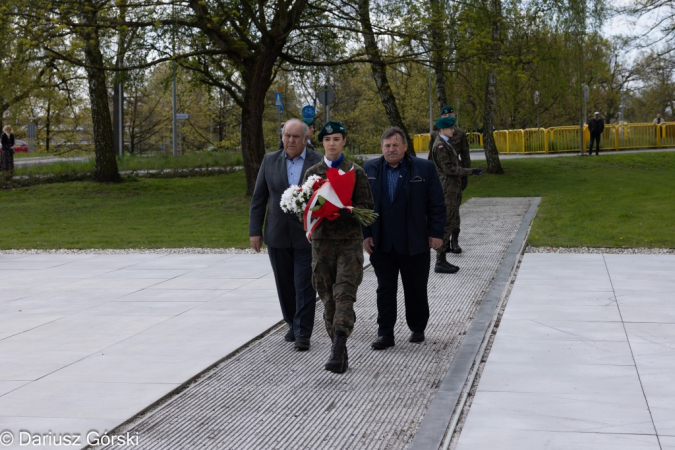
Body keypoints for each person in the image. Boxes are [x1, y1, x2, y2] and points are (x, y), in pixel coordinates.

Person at [363, 127, 446, 349]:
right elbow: (362, 206)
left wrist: (436, 233)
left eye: (396, 145)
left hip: (415, 242)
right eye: (387, 146)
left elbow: (436, 204)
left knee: (416, 288)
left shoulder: (424, 169)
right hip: (381, 243)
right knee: (385, 289)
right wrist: (366, 235)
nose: (391, 149)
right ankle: (385, 333)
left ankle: (418, 328)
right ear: (381, 147)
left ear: (405, 146)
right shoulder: (369, 169)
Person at [303, 120, 374, 374]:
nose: (331, 143)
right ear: (321, 143)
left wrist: (342, 211)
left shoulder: (356, 172)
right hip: (322, 246)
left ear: (344, 141)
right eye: (327, 139)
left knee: (344, 295)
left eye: (336, 139)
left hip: (348, 244)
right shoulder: (312, 173)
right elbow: (305, 208)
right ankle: (339, 350)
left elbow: (367, 208)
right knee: (328, 299)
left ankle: (337, 346)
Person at [249, 118, 323, 351]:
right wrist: (255, 231)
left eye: (295, 137)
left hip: (307, 235)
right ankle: (292, 322)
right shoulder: (269, 160)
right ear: (282, 137)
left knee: (304, 284)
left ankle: (303, 332)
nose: (290, 141)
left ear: (305, 138)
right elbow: (259, 198)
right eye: (287, 136)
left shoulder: (319, 161)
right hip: (277, 233)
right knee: (285, 285)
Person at [429, 116, 484, 274]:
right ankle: (440, 260)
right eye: (451, 128)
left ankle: (443, 258)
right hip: (447, 188)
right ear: (443, 129)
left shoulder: (446, 143)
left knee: (452, 220)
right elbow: (449, 169)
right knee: (446, 223)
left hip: (453, 188)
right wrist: (470, 172)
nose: (454, 130)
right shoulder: (440, 146)